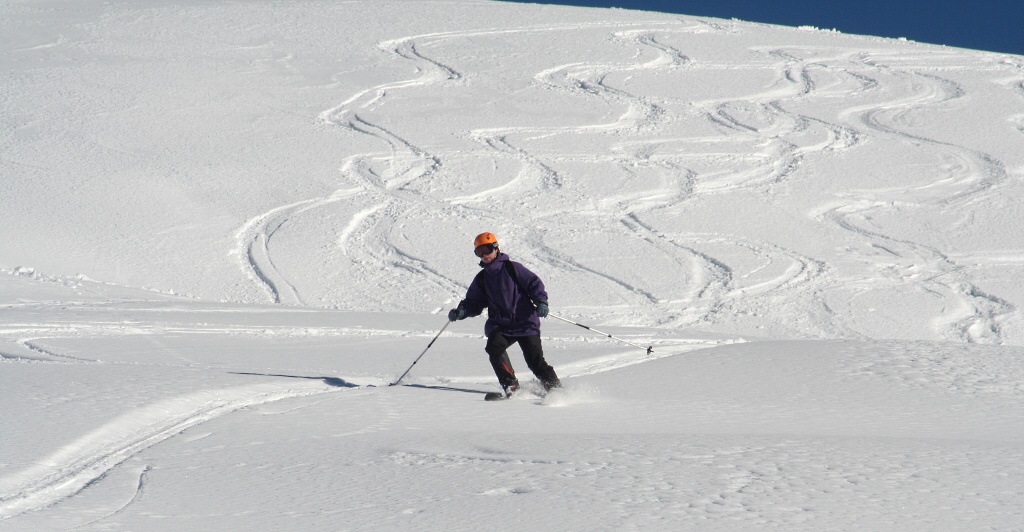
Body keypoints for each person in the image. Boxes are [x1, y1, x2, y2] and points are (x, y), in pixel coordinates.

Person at [448, 232, 561, 397]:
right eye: (479, 252)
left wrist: (541, 302)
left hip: (526, 323)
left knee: (535, 363)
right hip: (502, 325)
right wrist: (461, 311)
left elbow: (534, 284)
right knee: (494, 348)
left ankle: (557, 391)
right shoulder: (482, 278)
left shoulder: (512, 268)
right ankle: (511, 387)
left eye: (487, 250)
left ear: (495, 248)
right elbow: (473, 302)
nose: (484, 255)